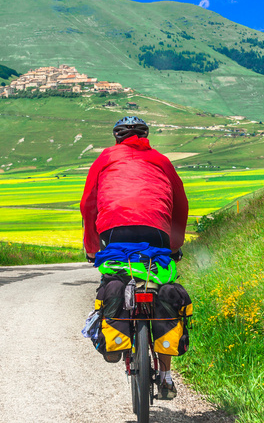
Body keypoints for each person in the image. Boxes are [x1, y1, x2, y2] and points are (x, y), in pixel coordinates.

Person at [80, 116, 189, 400]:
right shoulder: (161, 161)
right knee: (159, 287)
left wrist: (92, 247)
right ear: (146, 136)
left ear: (117, 137)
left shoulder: (105, 158)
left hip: (115, 230)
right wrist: (173, 245)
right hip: (157, 232)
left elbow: (88, 204)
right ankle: (165, 375)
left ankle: (116, 336)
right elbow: (180, 204)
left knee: (116, 275)